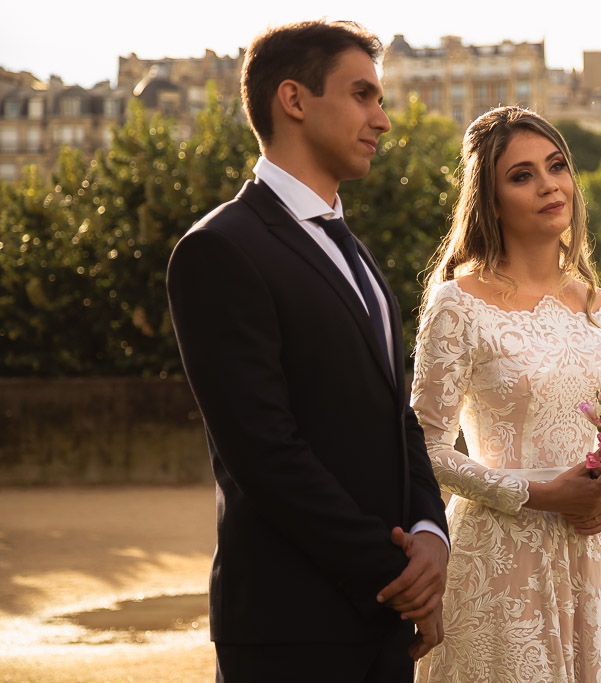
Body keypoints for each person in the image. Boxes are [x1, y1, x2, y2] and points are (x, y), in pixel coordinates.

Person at [165, 20, 449, 682]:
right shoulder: (219, 249)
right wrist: (395, 573)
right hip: (288, 627)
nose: (382, 119)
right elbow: (262, 449)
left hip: (384, 623)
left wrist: (431, 534)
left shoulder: (355, 251)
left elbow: (394, 412)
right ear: (293, 99)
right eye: (363, 95)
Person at [411, 106, 601, 682]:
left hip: (587, 560)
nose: (549, 184)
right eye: (522, 175)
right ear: (490, 203)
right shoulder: (457, 302)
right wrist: (540, 494)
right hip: (498, 564)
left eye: (556, 166)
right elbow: (422, 448)